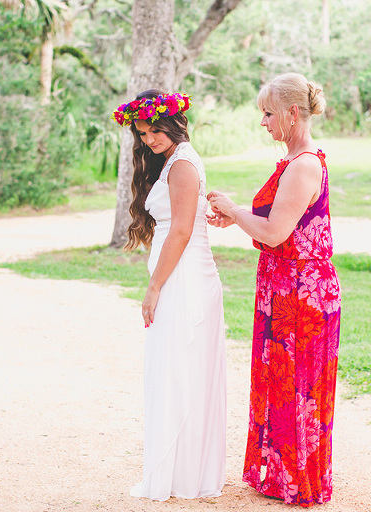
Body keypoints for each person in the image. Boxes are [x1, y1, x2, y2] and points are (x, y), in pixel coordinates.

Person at [207, 73, 341, 507]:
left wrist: (231, 207)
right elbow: (275, 222)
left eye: (268, 113)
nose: (263, 122)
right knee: (283, 381)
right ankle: (284, 473)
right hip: (284, 286)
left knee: (296, 384)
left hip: (301, 293)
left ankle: (298, 479)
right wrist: (238, 217)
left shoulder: (303, 164)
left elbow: (277, 230)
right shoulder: (292, 160)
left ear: (292, 113)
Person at [113, 90, 226, 501]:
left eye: (153, 130)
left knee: (180, 369)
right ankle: (183, 471)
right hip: (181, 275)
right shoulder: (175, 162)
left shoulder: (181, 164)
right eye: (142, 134)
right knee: (178, 371)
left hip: (183, 280)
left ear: (171, 123)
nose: (148, 140)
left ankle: (183, 474)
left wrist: (154, 286)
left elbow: (179, 231)